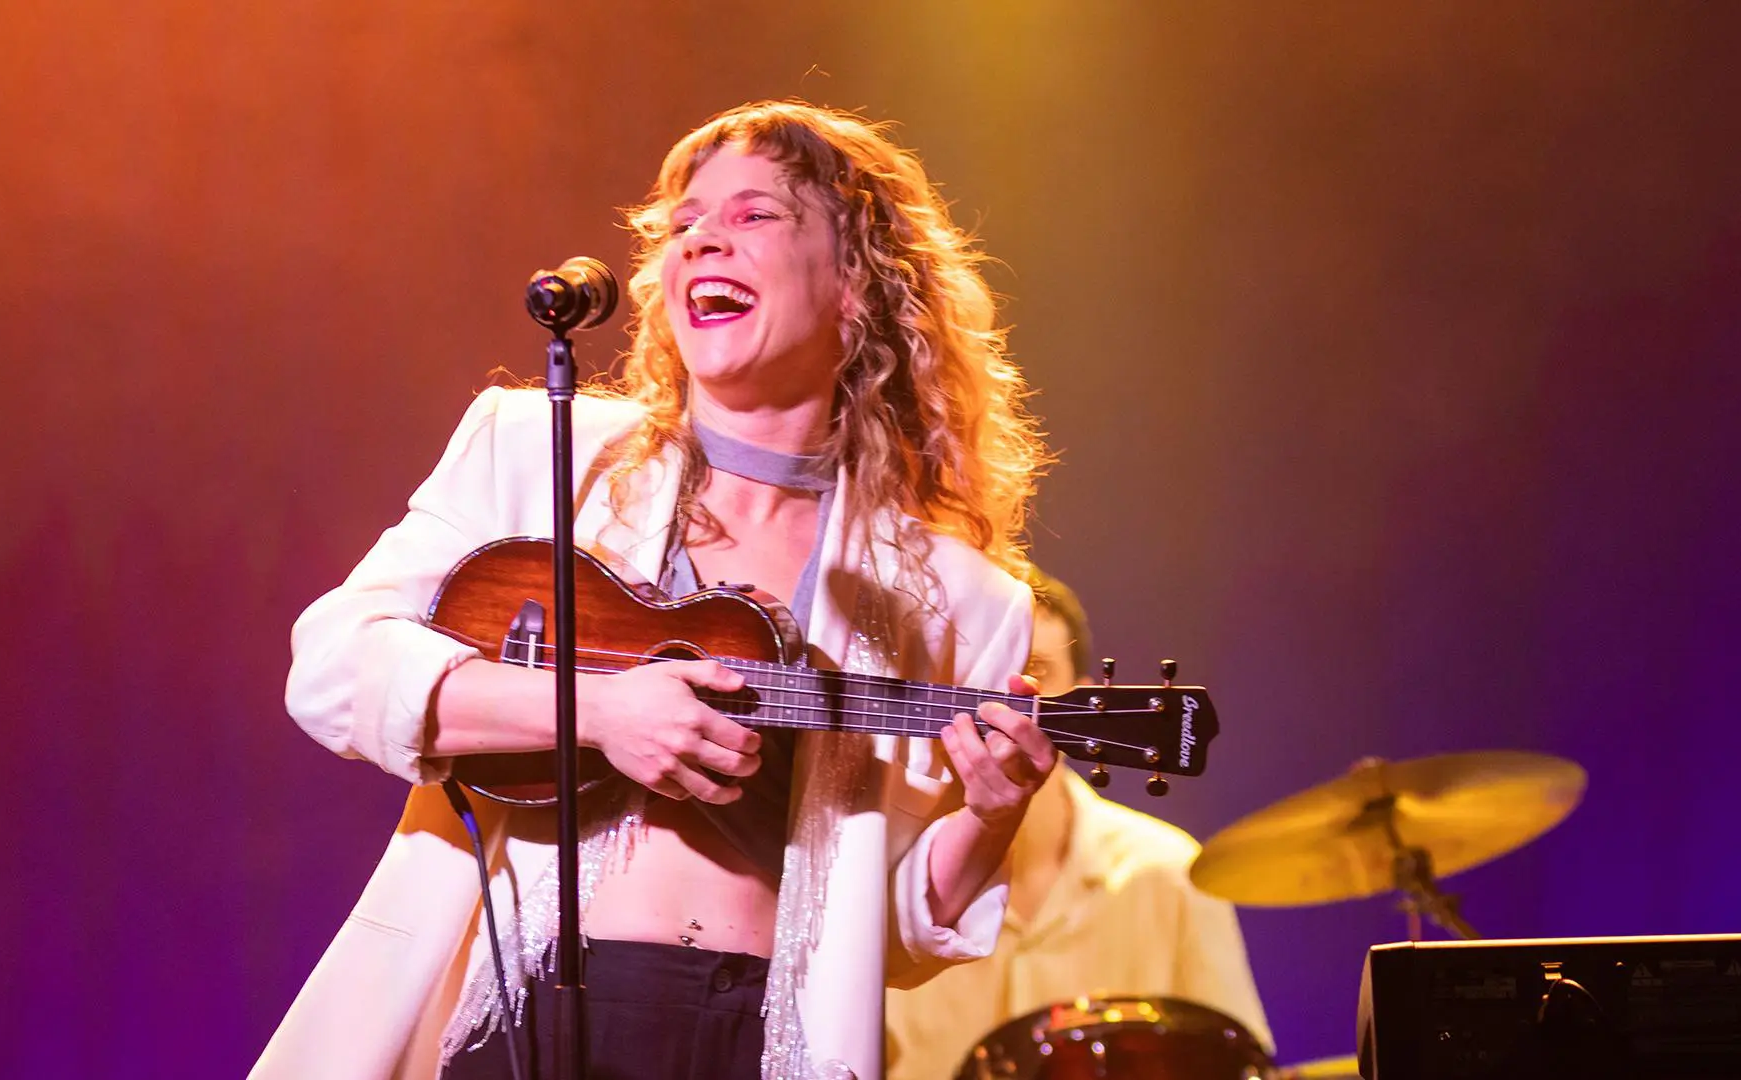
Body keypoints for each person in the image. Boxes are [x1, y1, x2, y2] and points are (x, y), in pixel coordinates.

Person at [251, 101, 1059, 1080]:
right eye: (684, 224)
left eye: (755, 214)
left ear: (856, 283)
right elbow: (333, 668)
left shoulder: (957, 596)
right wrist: (600, 711)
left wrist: (989, 813)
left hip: (758, 1037)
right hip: (524, 1013)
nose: (704, 239)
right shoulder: (538, 453)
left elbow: (879, 939)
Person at [884, 567, 1274, 1079]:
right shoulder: (884, 876)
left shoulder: (1170, 871)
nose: (1010, 704)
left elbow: (1236, 1064)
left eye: (1036, 671)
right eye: (985, 668)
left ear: (1092, 701)